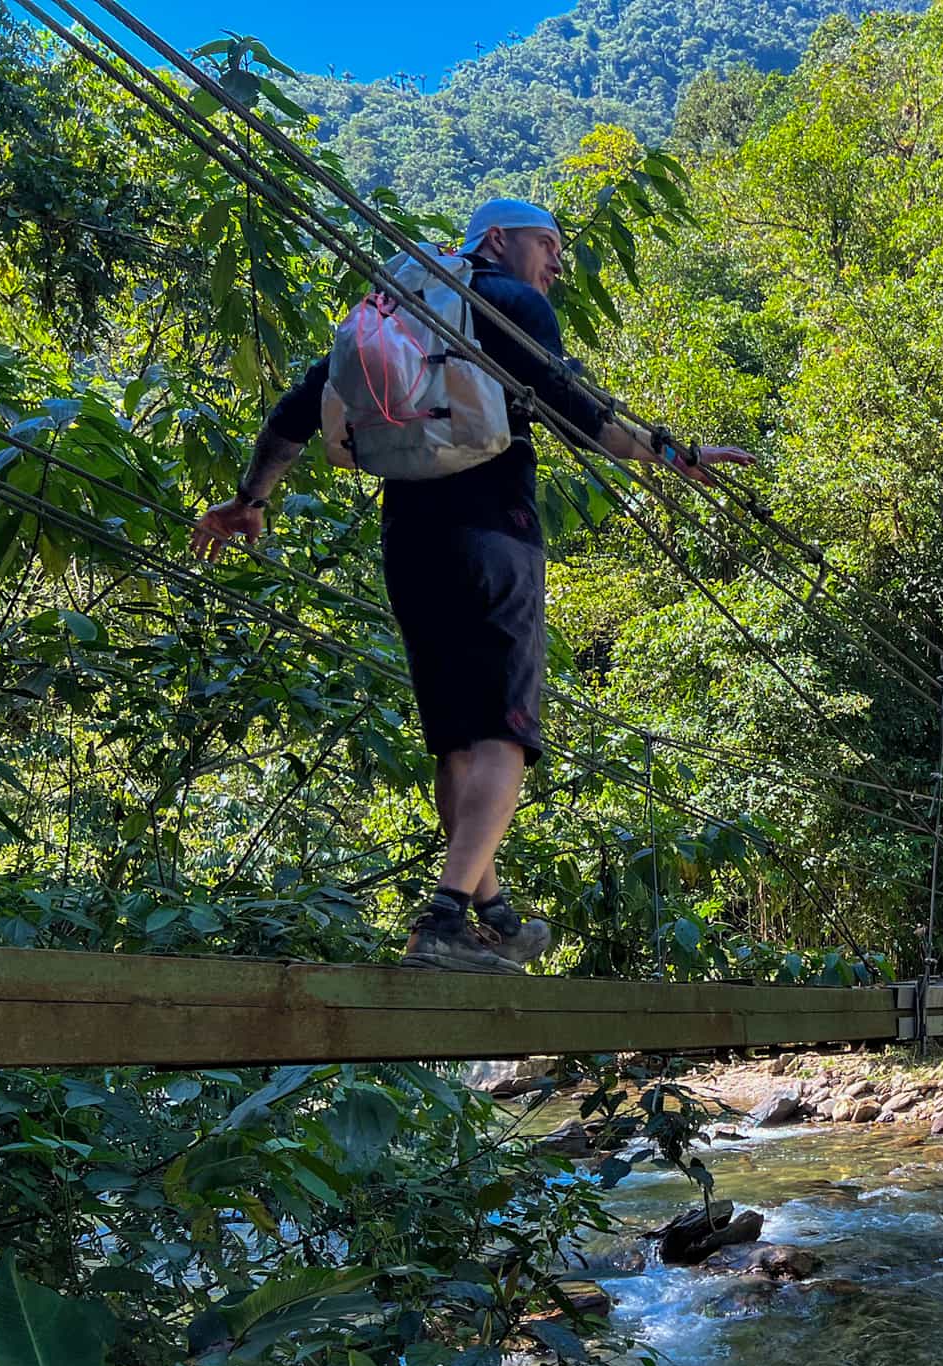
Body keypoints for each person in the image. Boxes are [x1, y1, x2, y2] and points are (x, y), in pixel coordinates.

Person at [191, 198, 753, 974]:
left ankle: (492, 919)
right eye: (546, 243)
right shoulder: (508, 300)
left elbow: (296, 414)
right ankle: (446, 919)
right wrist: (670, 452)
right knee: (505, 732)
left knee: (455, 737)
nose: (556, 262)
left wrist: (248, 501)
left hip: (410, 539)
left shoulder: (395, 312)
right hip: (494, 529)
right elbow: (578, 411)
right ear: (497, 240)